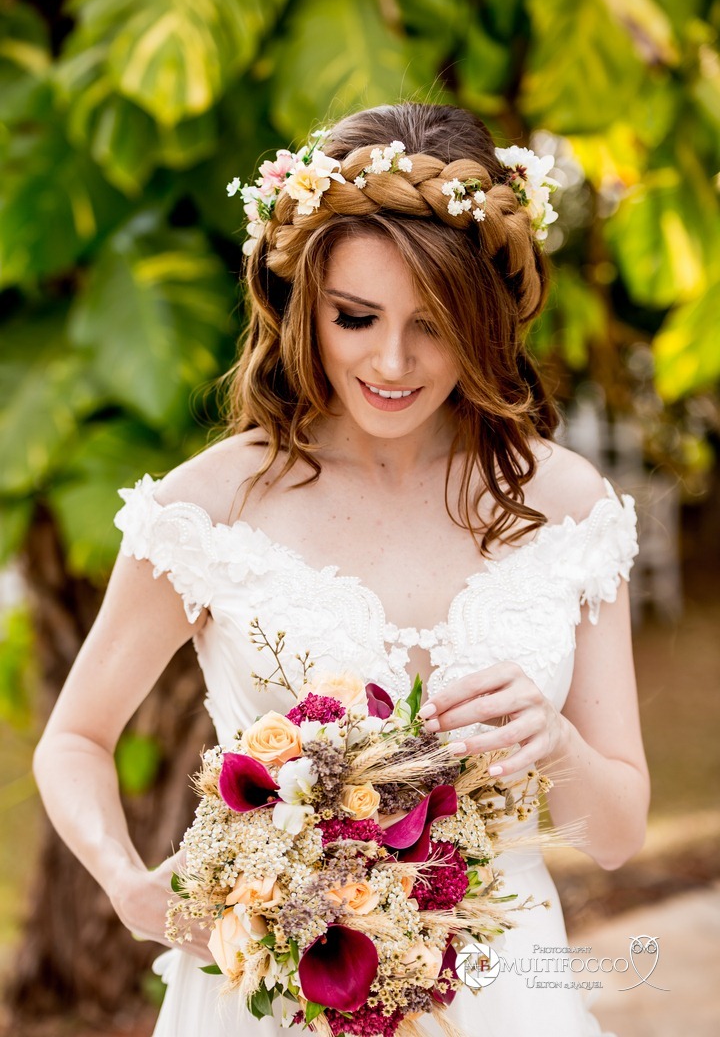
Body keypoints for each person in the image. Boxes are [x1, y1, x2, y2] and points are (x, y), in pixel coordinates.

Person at [33, 102, 649, 1037]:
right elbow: (73, 738)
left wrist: (557, 747)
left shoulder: (565, 507)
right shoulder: (213, 508)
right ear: (301, 301)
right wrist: (127, 884)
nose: (393, 362)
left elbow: (619, 834)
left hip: (508, 990)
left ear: (487, 316)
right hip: (266, 999)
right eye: (355, 318)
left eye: (433, 326)